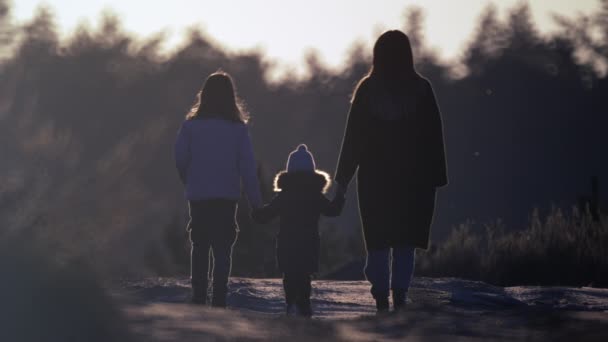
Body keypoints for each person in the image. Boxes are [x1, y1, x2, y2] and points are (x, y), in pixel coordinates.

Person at [334, 30, 448, 313]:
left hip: (375, 179)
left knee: (378, 239)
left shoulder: (367, 90)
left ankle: (381, 294)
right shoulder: (422, 90)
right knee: (405, 240)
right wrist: (436, 178)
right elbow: (435, 136)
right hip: (415, 180)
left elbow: (353, 139)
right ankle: (399, 293)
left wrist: (342, 180)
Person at [174, 71, 263, 307]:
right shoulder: (238, 130)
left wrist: (189, 179)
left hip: (199, 195)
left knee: (200, 244)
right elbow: (248, 167)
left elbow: (180, 157)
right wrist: (256, 203)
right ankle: (219, 297)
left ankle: (198, 295)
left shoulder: (190, 127)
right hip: (226, 196)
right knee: (223, 246)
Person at [252, 144, 345, 316]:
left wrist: (255, 207)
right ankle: (303, 304)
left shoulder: (285, 196)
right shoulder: (315, 196)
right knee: (304, 275)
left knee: (289, 274)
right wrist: (341, 193)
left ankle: (291, 304)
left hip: (287, 242)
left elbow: (264, 216)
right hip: (309, 242)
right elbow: (333, 210)